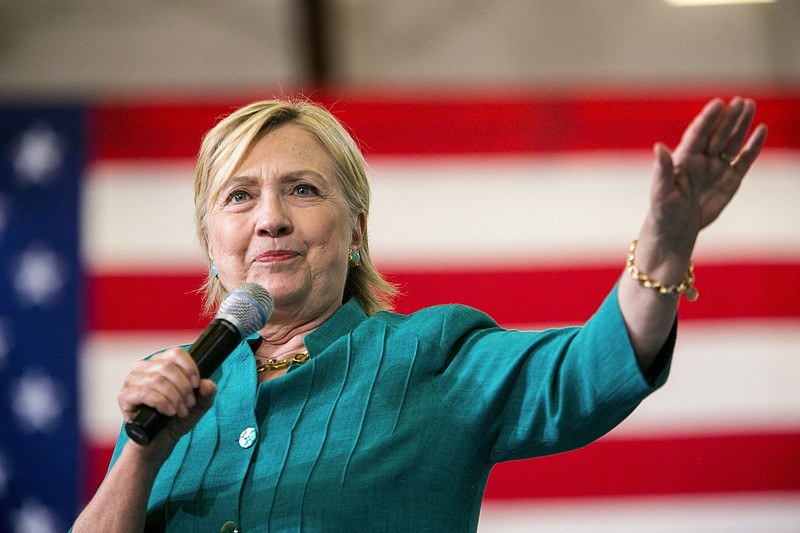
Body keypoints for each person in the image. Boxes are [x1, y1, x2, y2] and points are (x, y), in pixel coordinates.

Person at [72, 96, 767, 532]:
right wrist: (142, 451)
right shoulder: (167, 392)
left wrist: (665, 247)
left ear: (356, 232)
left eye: (303, 189)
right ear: (210, 239)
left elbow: (586, 371)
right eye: (239, 197)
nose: (271, 220)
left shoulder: (434, 355)